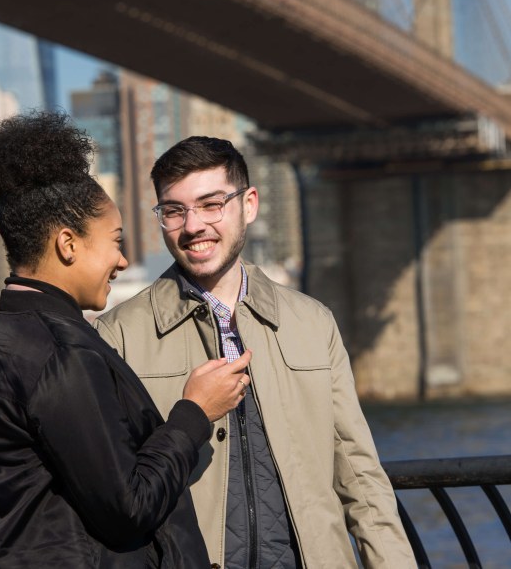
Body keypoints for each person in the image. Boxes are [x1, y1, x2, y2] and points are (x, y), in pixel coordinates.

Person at [95, 136, 417, 568]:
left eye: (211, 204)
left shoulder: (313, 322)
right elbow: (112, 493)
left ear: (249, 204)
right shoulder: (118, 337)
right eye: (173, 211)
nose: (193, 226)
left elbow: (359, 475)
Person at [0, 115, 252, 568]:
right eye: (114, 240)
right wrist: (194, 413)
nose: (123, 259)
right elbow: (128, 507)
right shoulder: (59, 352)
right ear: (68, 245)